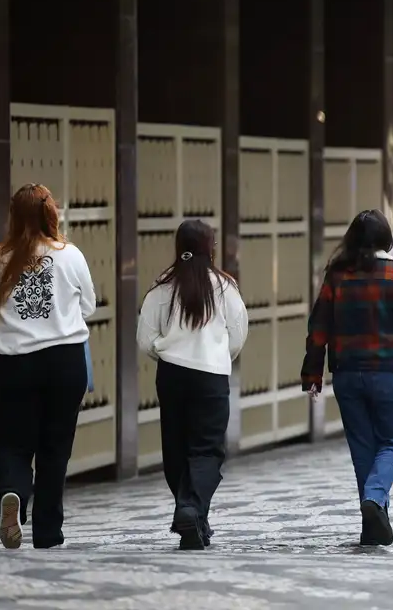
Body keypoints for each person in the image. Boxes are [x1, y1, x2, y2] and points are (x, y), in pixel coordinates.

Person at [302, 209, 393, 547]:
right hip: (386, 374)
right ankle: (375, 499)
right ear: (387, 239)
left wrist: (312, 371)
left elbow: (318, 327)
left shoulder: (337, 276)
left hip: (347, 375)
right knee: (392, 443)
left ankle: (372, 524)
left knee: (363, 449)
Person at [0, 183, 97, 550]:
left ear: (14, 216)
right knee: (55, 447)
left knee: (11, 441)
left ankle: (12, 492)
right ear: (52, 213)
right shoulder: (70, 254)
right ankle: (48, 533)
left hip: (14, 362)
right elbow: (89, 306)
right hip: (63, 361)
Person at [137, 219, 248, 550]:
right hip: (211, 376)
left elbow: (145, 337)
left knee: (176, 446)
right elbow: (238, 330)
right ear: (209, 247)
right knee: (207, 448)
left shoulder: (161, 287)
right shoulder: (224, 287)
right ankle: (191, 508)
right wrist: (219, 354)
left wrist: (165, 351)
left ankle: (194, 516)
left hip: (171, 374)